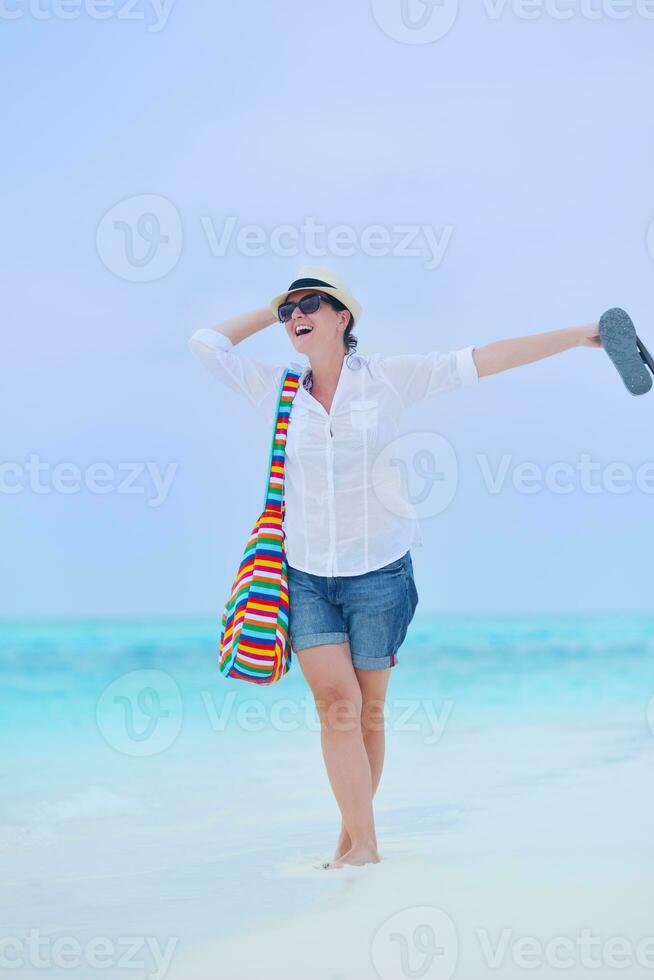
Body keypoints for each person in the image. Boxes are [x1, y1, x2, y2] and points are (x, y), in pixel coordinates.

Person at [188, 266, 601, 869]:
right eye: (289, 311)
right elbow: (205, 345)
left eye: (309, 305)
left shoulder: (388, 380)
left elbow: (484, 359)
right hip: (304, 575)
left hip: (379, 573)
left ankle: (352, 840)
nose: (295, 316)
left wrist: (580, 334)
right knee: (335, 705)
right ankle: (367, 846)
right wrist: (269, 306)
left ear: (342, 317)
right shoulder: (277, 389)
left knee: (367, 711)